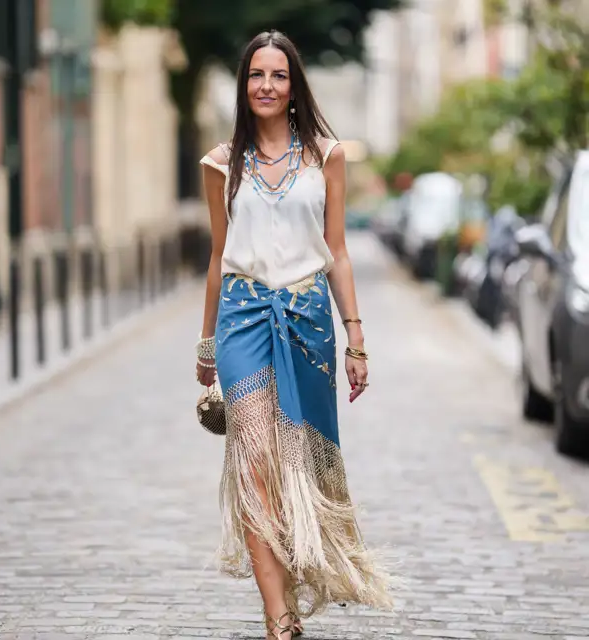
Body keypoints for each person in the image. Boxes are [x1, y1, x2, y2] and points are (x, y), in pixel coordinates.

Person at [195, 30, 392, 639]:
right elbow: (217, 254)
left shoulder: (326, 156)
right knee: (254, 462)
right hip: (242, 320)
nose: (267, 86)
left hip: (309, 324)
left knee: (295, 465)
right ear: (243, 84)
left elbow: (337, 251)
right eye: (257, 75)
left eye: (278, 76)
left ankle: (295, 575)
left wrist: (356, 337)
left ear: (293, 85)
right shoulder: (221, 164)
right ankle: (277, 617)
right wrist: (206, 345)